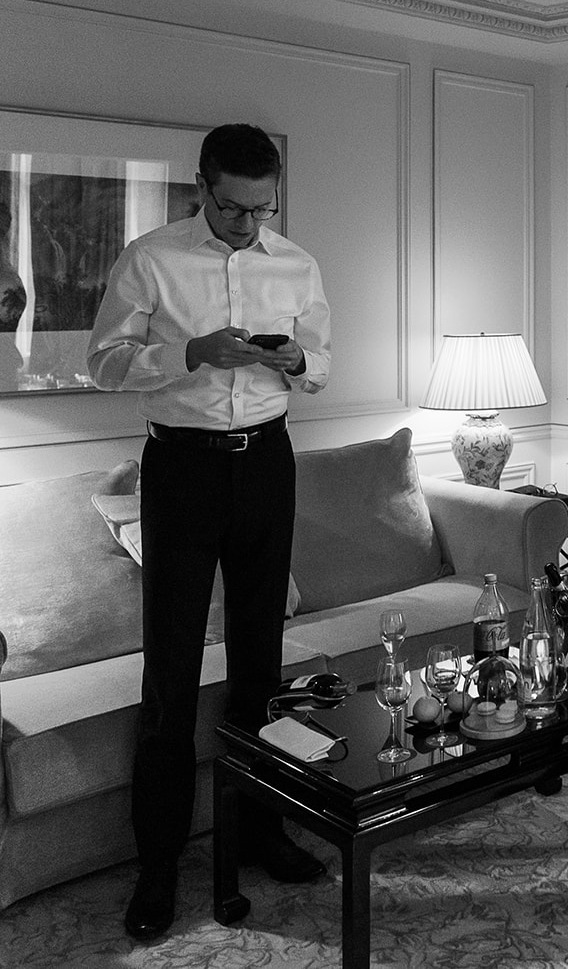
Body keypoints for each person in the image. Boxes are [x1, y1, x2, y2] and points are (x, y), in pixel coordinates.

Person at [88, 122, 332, 942]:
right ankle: (158, 866)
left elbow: (324, 364)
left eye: (263, 209)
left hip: (268, 463)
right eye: (233, 209)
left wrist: (294, 362)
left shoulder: (295, 263)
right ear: (203, 189)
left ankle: (263, 830)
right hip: (182, 469)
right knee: (171, 670)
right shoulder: (150, 258)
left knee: (262, 663)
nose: (249, 225)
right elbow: (104, 363)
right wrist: (189, 351)